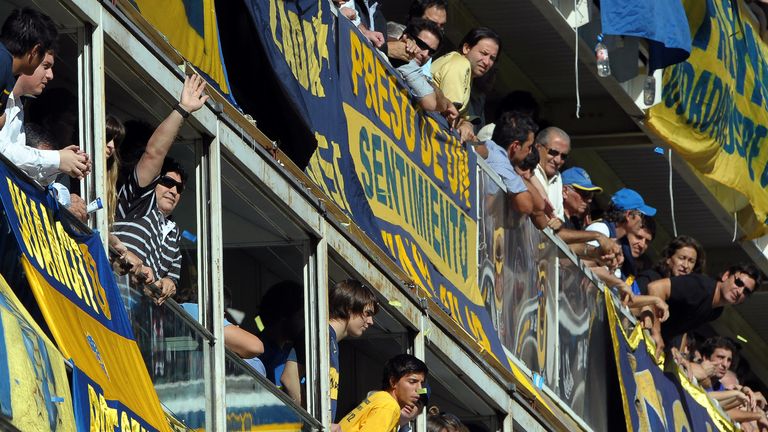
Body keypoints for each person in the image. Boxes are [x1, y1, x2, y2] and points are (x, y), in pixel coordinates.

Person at [112, 74, 208, 304]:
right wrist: (183, 109)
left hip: (133, 322)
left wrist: (169, 285)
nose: (174, 190)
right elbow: (154, 153)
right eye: (167, 182)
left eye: (180, 188)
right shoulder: (136, 201)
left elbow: (171, 281)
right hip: (107, 298)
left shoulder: (175, 234)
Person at [0, 48, 90, 184]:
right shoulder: (4, 98)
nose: (50, 75)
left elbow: (20, 169)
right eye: (46, 66)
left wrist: (62, 163)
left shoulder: (18, 106)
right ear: (31, 58)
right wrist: (56, 159)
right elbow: (3, 152)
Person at [645, 263, 762, 356]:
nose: (740, 291)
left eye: (746, 291)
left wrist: (679, 353)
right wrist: (656, 332)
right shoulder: (700, 287)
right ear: (726, 276)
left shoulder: (717, 311)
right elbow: (655, 288)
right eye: (738, 282)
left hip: (653, 339)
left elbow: (684, 326)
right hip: (637, 322)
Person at [431, 27, 500, 142]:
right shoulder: (460, 64)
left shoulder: (464, 68)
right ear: (466, 48)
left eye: (492, 58)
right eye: (484, 53)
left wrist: (466, 124)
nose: (487, 62)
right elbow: (450, 114)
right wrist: (464, 125)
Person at [339, 354, 428, 432]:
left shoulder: (379, 398)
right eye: (412, 381)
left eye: (421, 383)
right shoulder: (389, 406)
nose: (419, 389)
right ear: (393, 382)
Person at [0, 8, 58, 119]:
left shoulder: (9, 75)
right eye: (43, 62)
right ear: (35, 51)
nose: (50, 75)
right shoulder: (2, 62)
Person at [391, 19, 455, 119]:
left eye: (431, 52)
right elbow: (430, 103)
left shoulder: (416, 69)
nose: (425, 54)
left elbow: (441, 105)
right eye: (421, 45)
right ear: (405, 37)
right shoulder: (405, 57)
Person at [479, 110, 537, 216]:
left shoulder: (490, 147)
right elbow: (526, 206)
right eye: (529, 147)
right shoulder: (500, 160)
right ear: (515, 146)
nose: (530, 152)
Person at [257, 281, 304, 386]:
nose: (305, 324)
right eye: (302, 317)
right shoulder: (257, 354)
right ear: (285, 315)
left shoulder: (290, 354)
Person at [387, 0, 447, 76]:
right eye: (432, 23)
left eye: (442, 26)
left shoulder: (426, 54)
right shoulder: (393, 33)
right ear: (415, 17)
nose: (437, 30)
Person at [636, 235, 705, 294]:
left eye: (691, 261)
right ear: (668, 258)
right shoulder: (649, 278)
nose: (685, 265)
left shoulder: (692, 291)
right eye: (681, 258)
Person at [532, 127, 570, 220]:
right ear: (538, 148)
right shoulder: (526, 169)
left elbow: (559, 218)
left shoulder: (558, 177)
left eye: (563, 156)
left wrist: (558, 223)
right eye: (553, 152)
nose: (558, 160)